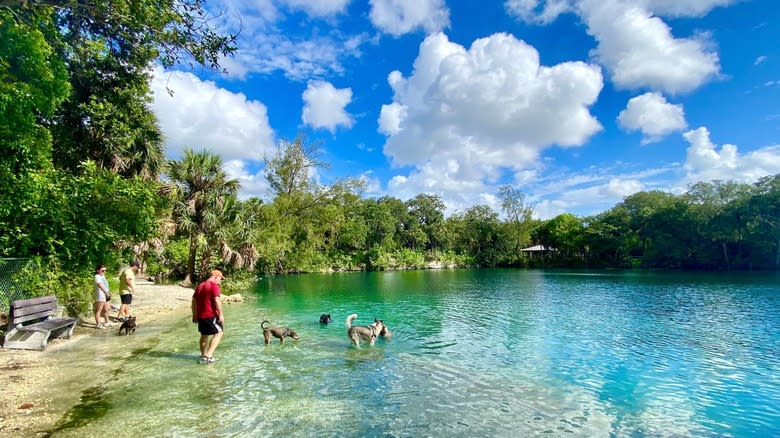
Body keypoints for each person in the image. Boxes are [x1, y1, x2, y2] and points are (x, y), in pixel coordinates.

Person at [192, 270, 225, 364]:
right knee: (219, 332)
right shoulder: (214, 286)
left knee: (204, 335)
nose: (220, 281)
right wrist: (221, 314)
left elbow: (194, 301)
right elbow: (216, 300)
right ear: (216, 277)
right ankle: (209, 355)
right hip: (211, 315)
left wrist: (194, 314)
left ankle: (203, 356)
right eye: (220, 279)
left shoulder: (200, 286)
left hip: (201, 315)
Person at [93, 265, 112, 329]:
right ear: (98, 270)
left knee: (107, 309)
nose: (104, 272)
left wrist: (108, 292)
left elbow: (105, 285)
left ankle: (107, 322)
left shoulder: (103, 276)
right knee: (99, 310)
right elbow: (99, 285)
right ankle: (98, 324)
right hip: (100, 295)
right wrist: (105, 292)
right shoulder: (97, 276)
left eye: (105, 270)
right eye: (103, 270)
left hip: (105, 294)